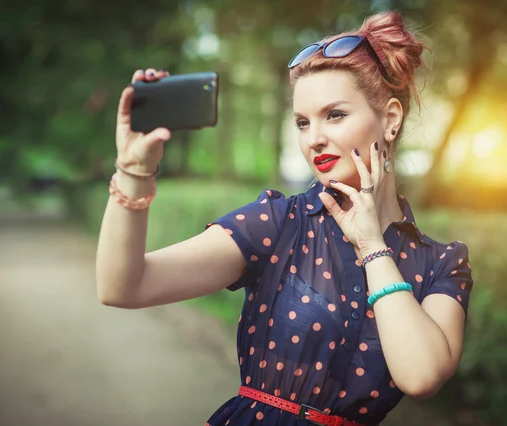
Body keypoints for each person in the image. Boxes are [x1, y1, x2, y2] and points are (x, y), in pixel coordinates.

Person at [96, 10, 473, 426]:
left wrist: (372, 247)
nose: (313, 138)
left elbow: (421, 376)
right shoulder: (278, 223)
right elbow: (123, 287)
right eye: (301, 122)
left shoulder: (441, 264)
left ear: (390, 119)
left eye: (335, 115)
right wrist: (133, 171)